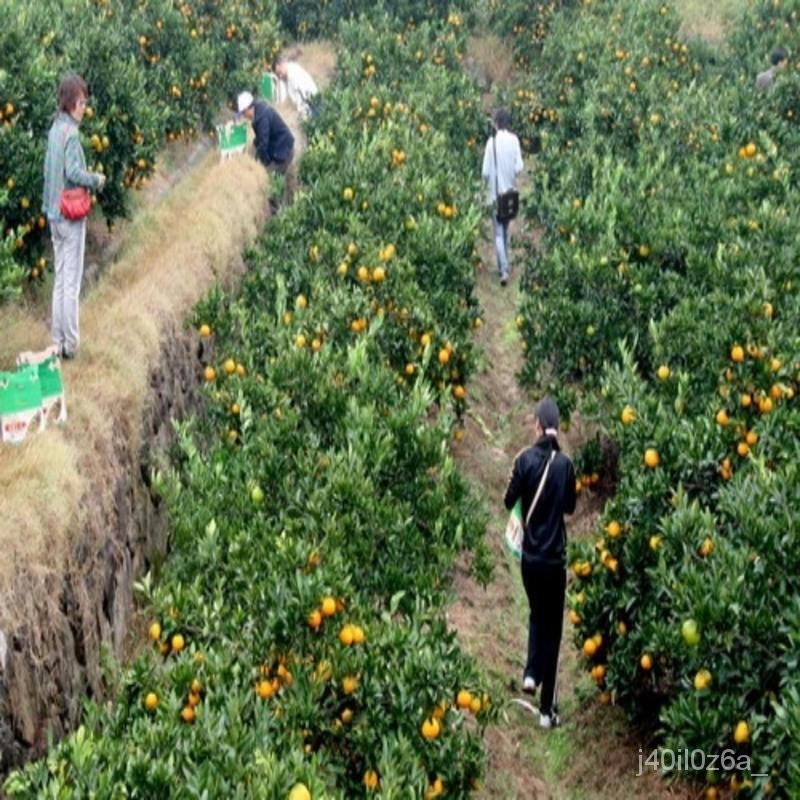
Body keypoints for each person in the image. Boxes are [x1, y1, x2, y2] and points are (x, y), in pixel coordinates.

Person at [504, 397, 576, 729]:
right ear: (556, 427)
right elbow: (571, 506)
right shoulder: (565, 466)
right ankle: (546, 711)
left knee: (537, 616)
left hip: (530, 559)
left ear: (536, 424)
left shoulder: (525, 461)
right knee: (553, 629)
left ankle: (531, 673)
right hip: (555, 561)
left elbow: (509, 499)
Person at [42, 74, 106, 360]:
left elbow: (50, 172)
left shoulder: (55, 129)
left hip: (53, 213)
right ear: (70, 103)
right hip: (69, 215)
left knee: (59, 279)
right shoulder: (72, 135)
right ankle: (71, 345)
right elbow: (73, 173)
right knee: (71, 282)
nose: (84, 108)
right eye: (81, 103)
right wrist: (96, 179)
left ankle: (57, 339)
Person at [481, 108, 523, 287]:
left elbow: (484, 172)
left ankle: (504, 269)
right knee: (504, 230)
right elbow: (519, 167)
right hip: (510, 195)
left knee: (498, 233)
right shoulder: (514, 140)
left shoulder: (492, 143)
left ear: (496, 123)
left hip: (496, 195)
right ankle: (504, 265)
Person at [237, 91, 295, 174]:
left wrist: (266, 164)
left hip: (283, 151)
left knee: (268, 176)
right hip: (279, 146)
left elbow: (263, 144)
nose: (243, 116)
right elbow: (260, 138)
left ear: (247, 109)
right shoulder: (259, 110)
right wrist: (252, 149)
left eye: (243, 113)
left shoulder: (262, 119)